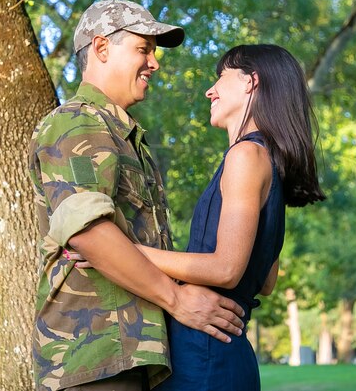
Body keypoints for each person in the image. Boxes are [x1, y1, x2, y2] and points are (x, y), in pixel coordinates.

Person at [72, 44, 326, 390]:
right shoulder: (271, 162)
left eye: (220, 77)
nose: (211, 90)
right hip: (229, 350)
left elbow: (226, 269)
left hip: (203, 353)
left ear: (252, 81)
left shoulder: (246, 156)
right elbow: (264, 282)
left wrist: (126, 251)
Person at [28, 0, 245, 391]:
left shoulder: (123, 134)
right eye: (143, 49)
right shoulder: (76, 122)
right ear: (101, 48)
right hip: (94, 356)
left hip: (127, 355)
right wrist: (179, 302)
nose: (154, 63)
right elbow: (88, 232)